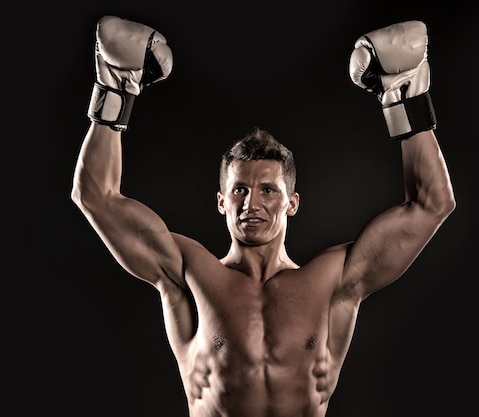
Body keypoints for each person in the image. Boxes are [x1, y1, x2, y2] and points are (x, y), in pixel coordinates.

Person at [71, 15, 455, 417]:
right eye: (239, 190)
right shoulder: (188, 271)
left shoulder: (333, 279)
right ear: (221, 201)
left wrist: (405, 96)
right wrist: (115, 88)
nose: (251, 203)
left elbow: (433, 204)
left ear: (292, 203)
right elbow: (95, 195)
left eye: (268, 190)